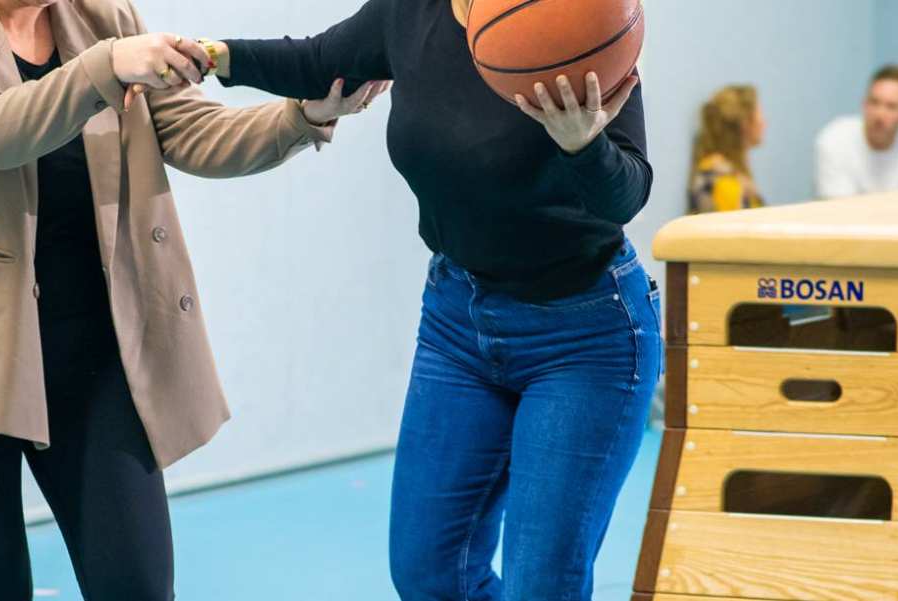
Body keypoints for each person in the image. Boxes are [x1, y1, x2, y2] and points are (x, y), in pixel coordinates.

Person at [0, 0, 385, 598]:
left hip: (93, 355)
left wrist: (301, 116)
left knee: (136, 585)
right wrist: (106, 66)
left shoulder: (103, 18)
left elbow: (192, 132)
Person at [200, 0, 661, 597]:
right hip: (457, 322)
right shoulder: (410, 10)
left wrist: (585, 147)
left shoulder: (576, 17)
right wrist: (214, 57)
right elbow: (318, 61)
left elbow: (627, 193)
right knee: (429, 572)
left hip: (583, 335)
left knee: (541, 585)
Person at [815, 64, 898, 198]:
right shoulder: (835, 140)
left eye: (891, 106)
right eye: (874, 102)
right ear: (864, 104)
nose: (879, 114)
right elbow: (838, 211)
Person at [688, 84, 767, 214]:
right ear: (745, 124)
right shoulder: (721, 179)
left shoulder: (731, 174)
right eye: (759, 114)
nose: (764, 123)